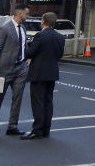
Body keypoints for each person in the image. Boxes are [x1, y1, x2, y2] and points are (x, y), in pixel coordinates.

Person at [0, 4, 30, 138]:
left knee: (17, 98)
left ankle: (13, 126)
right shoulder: (5, 29)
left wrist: (27, 58)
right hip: (4, 70)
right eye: (26, 14)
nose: (27, 16)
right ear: (20, 14)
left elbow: (23, 45)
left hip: (21, 69)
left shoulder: (23, 28)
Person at [21, 11, 64, 140]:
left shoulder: (40, 36)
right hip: (52, 73)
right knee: (48, 101)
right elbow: (60, 55)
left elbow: (30, 53)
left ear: (43, 22)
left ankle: (37, 130)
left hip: (39, 73)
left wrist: (27, 46)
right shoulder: (59, 37)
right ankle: (46, 129)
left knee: (38, 102)